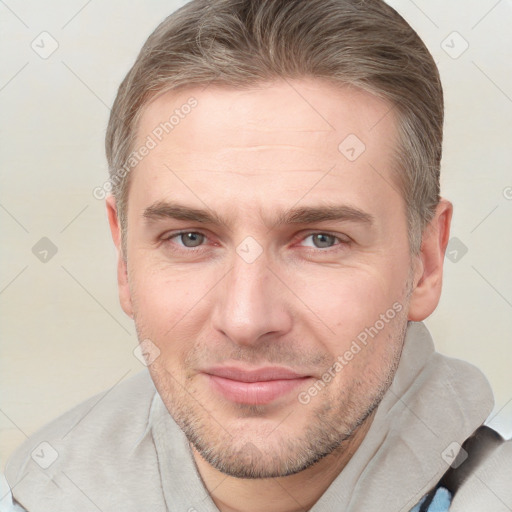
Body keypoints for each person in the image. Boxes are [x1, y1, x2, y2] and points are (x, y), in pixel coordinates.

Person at [3, 0, 511, 511]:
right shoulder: (34, 489)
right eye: (191, 238)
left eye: (321, 240)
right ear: (125, 260)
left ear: (424, 262)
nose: (246, 320)